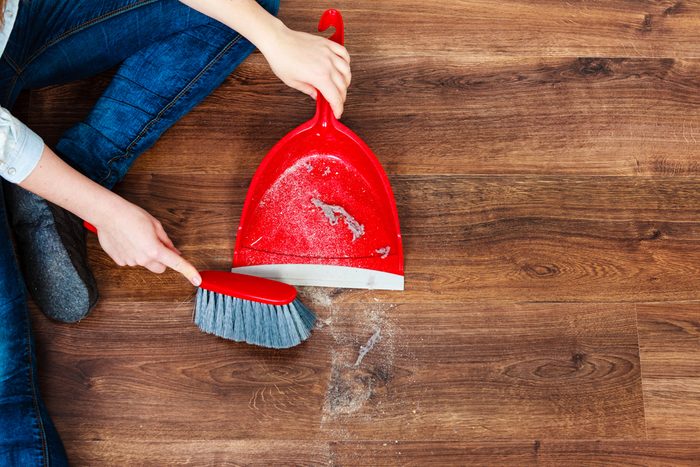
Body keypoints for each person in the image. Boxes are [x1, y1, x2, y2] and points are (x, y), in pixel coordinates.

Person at [0, 0, 351, 464]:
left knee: (249, 6)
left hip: (24, 20)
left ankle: (77, 168)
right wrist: (105, 211)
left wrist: (272, 35)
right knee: (6, 399)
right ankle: (65, 185)